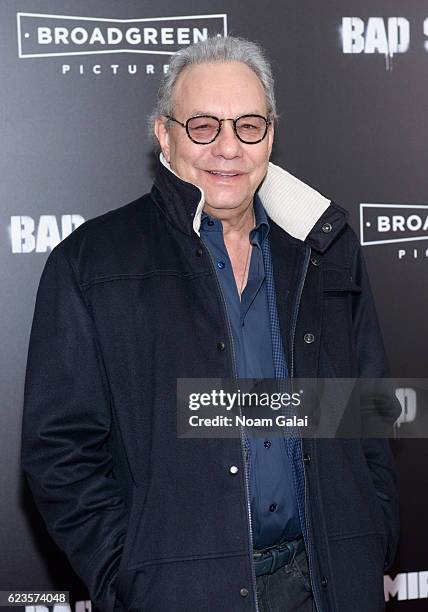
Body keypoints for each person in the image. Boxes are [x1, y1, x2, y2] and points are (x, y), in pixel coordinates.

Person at [21, 36, 399, 612]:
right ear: (164, 135)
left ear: (270, 134)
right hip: (182, 594)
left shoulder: (326, 249)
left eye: (248, 125)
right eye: (203, 125)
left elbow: (369, 411)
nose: (228, 147)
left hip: (330, 584)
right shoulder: (91, 264)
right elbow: (60, 452)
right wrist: (129, 574)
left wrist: (371, 540)